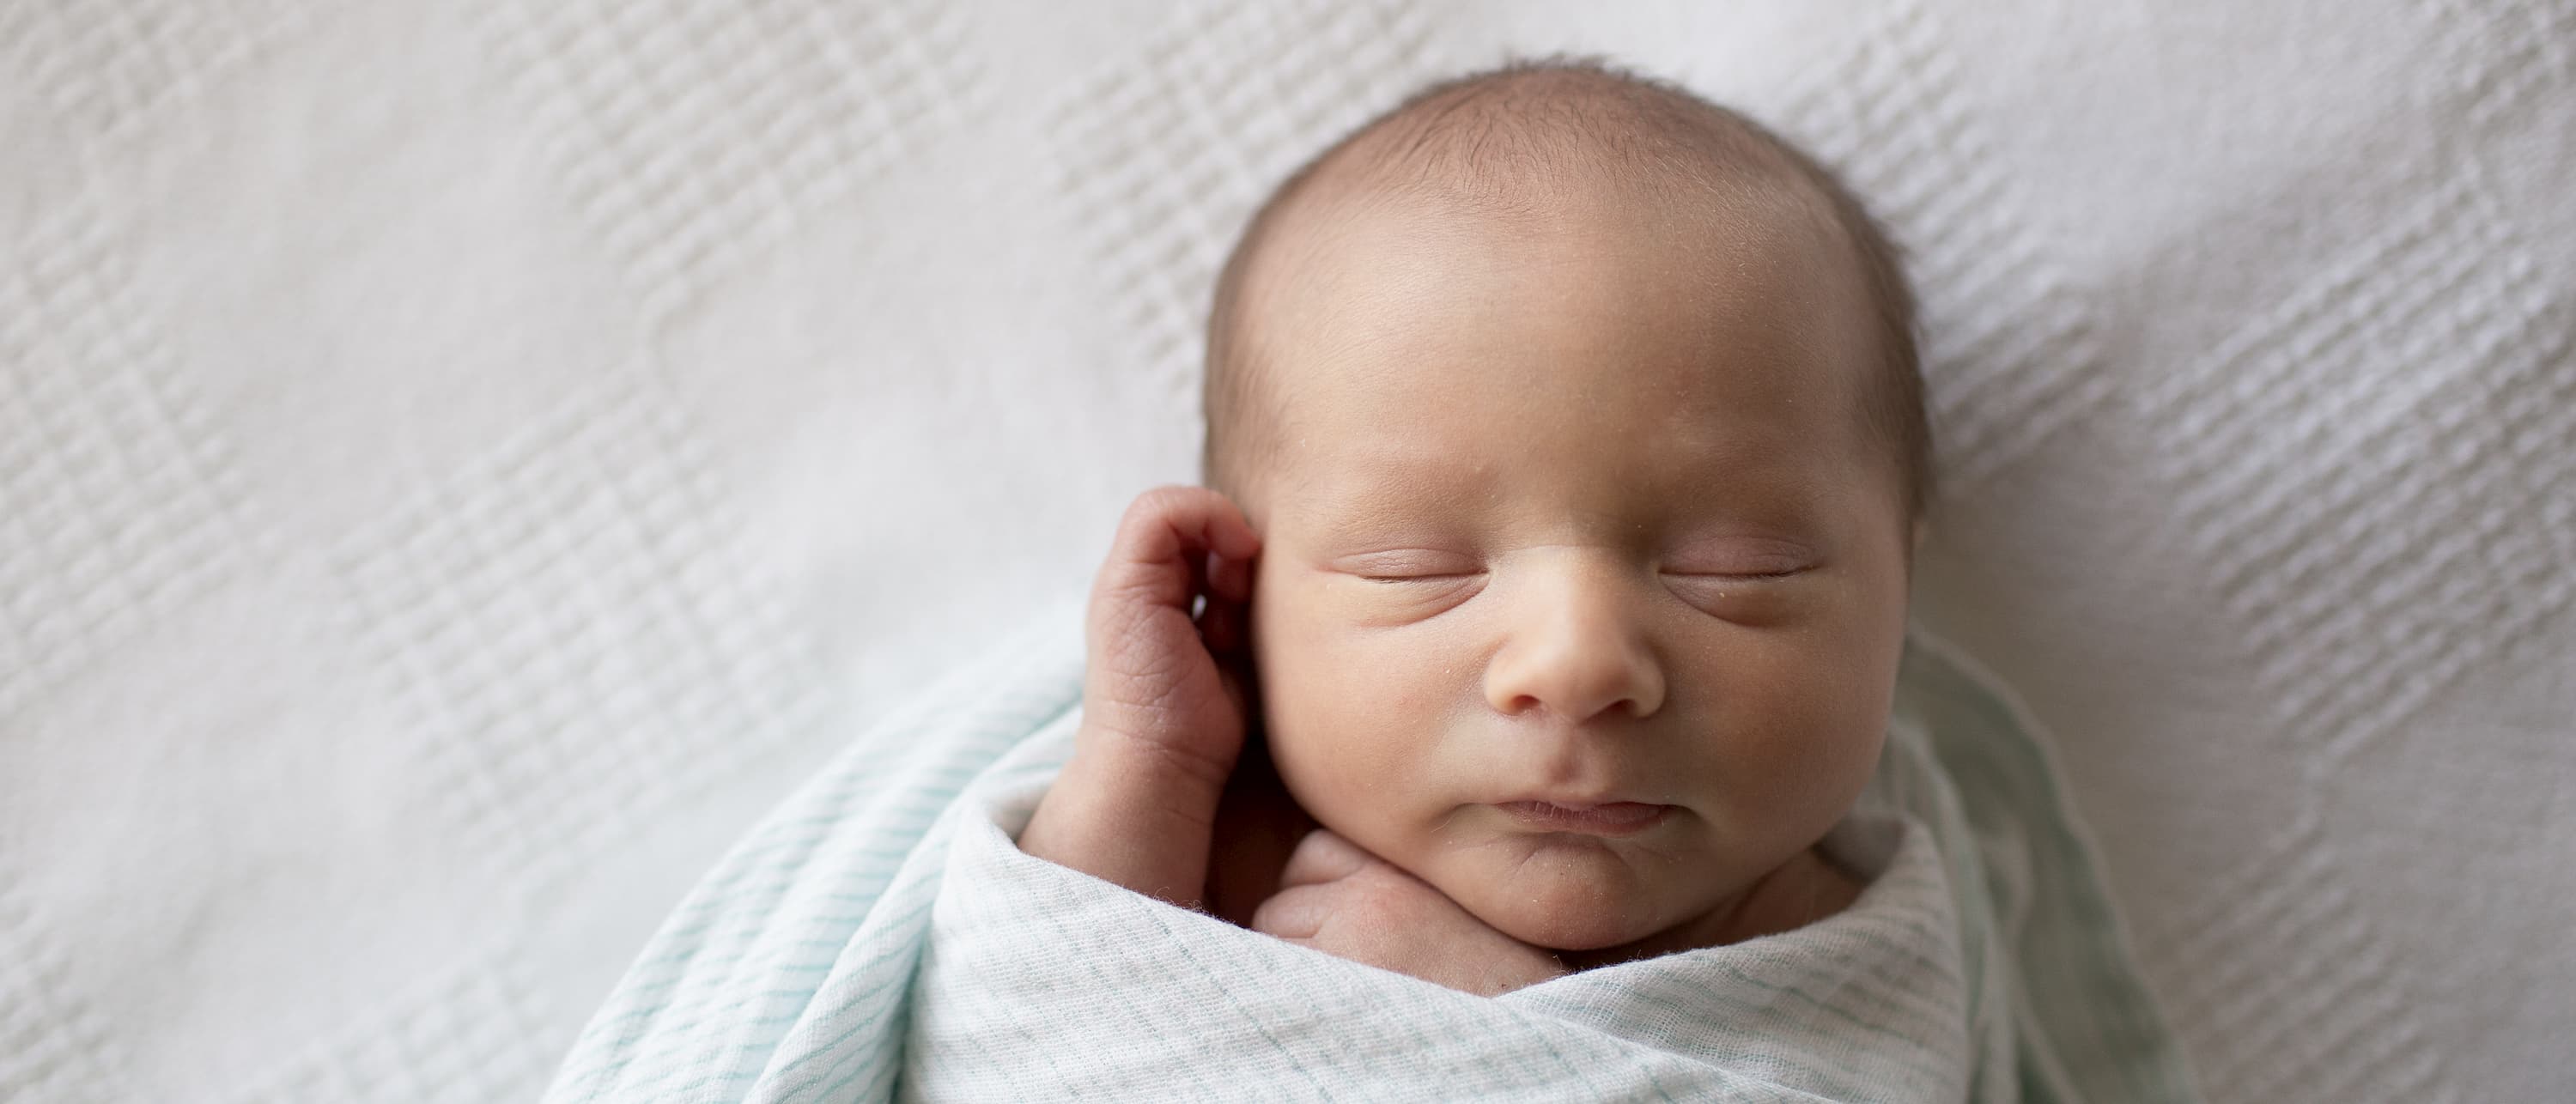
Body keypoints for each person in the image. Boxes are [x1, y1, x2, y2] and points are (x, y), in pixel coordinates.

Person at [1020, 56, 1929, 997]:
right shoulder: (1200, 829)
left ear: (1902, 581)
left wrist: (1504, 1050)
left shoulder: (1851, 947)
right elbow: (1014, 1036)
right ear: (1245, 598)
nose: (1574, 665)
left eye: (1738, 568)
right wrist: (1147, 765)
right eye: (1414, 565)